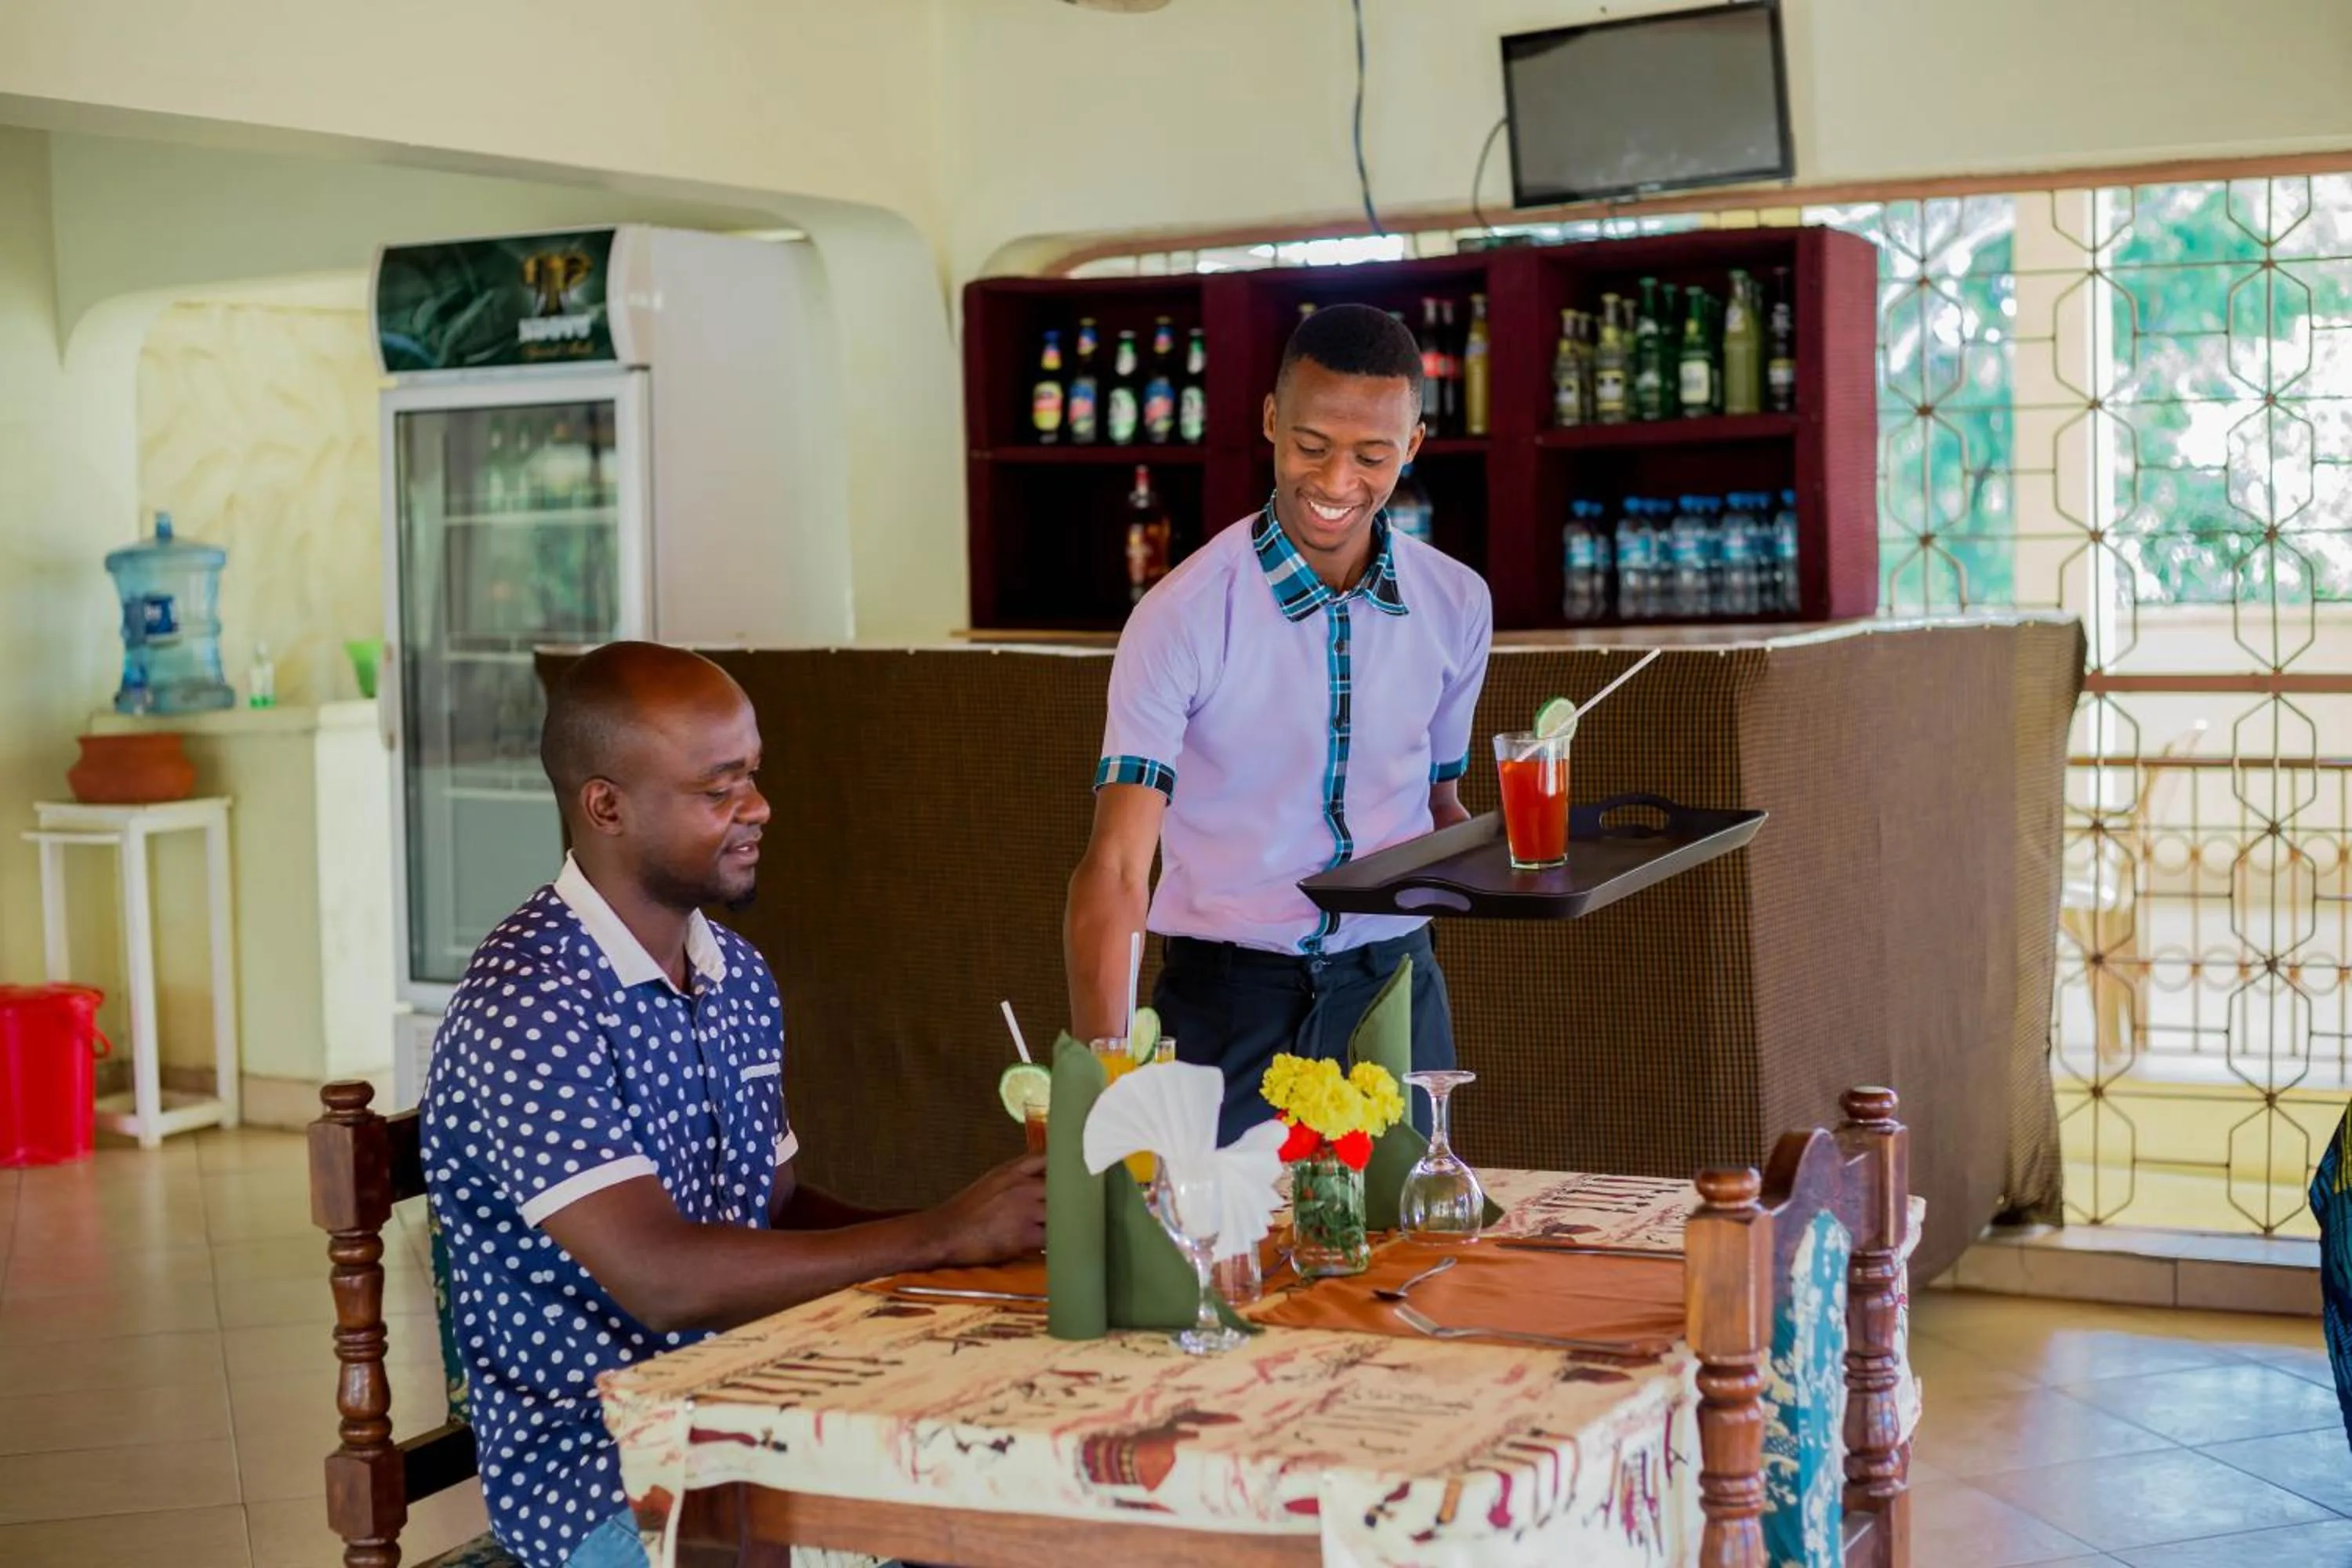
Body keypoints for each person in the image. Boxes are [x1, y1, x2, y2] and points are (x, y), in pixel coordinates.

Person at [421, 642, 1044, 1568]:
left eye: (752, 775)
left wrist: (987, 1236)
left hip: (763, 1404)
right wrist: (941, 1235)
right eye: (720, 790)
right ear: (607, 806)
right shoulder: (531, 1001)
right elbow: (661, 1277)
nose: (759, 807)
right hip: (610, 1471)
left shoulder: (734, 972)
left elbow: (776, 1208)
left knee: (1029, 1497)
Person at [1065, 303, 1494, 1142]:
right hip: (1229, 1005)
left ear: (1411, 446)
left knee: (1416, 1259)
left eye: (1372, 455)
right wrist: (1105, 1081)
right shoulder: (1181, 615)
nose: (1336, 483)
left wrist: (1527, 859)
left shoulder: (1458, 603)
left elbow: (1442, 809)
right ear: (1270, 420)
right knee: (1215, 1264)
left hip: (1395, 994)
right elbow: (1116, 868)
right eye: (1310, 446)